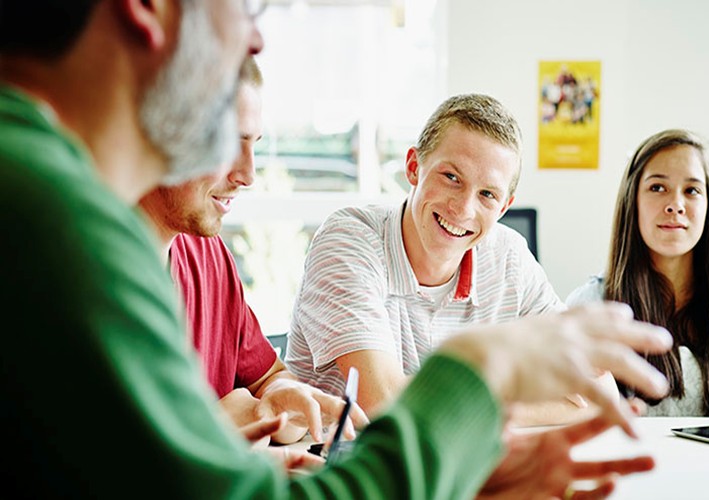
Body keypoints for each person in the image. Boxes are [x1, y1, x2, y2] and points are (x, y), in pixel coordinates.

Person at [0, 1, 673, 497]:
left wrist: (460, 459)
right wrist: (476, 376)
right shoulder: (54, 219)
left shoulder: (54, 195)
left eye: (489, 196)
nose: (257, 36)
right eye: (245, 9)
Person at [286, 92, 613, 421]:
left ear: (504, 207)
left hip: (461, 467)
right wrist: (516, 392)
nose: (463, 209)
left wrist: (469, 405)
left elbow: (600, 394)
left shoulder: (509, 258)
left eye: (487, 194)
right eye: (451, 178)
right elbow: (385, 404)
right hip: (342, 464)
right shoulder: (350, 240)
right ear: (414, 167)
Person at [139, 56, 367, 446]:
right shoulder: (81, 271)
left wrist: (278, 401)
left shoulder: (208, 255)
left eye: (254, 145)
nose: (247, 174)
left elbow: (266, 378)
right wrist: (212, 433)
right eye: (229, 144)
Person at [566, 128, 709, 419]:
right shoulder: (588, 307)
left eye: (692, 190)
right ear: (631, 201)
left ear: (708, 205)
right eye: (658, 188)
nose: (675, 205)